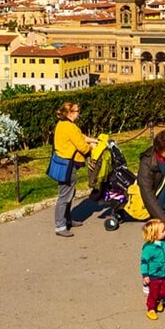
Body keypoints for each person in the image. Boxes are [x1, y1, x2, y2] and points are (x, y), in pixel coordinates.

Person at [52, 101, 97, 237]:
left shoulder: (64, 124)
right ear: (70, 113)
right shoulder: (69, 127)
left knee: (69, 193)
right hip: (67, 165)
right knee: (65, 195)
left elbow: (80, 136)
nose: (79, 113)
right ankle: (60, 226)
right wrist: (92, 147)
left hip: (63, 163)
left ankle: (67, 220)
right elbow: (81, 146)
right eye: (77, 111)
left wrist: (92, 140)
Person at [140, 219, 165, 321]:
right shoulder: (148, 248)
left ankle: (160, 299)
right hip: (153, 275)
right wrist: (145, 275)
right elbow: (144, 262)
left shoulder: (164, 243)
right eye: (163, 231)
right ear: (154, 235)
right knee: (153, 293)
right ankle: (151, 309)